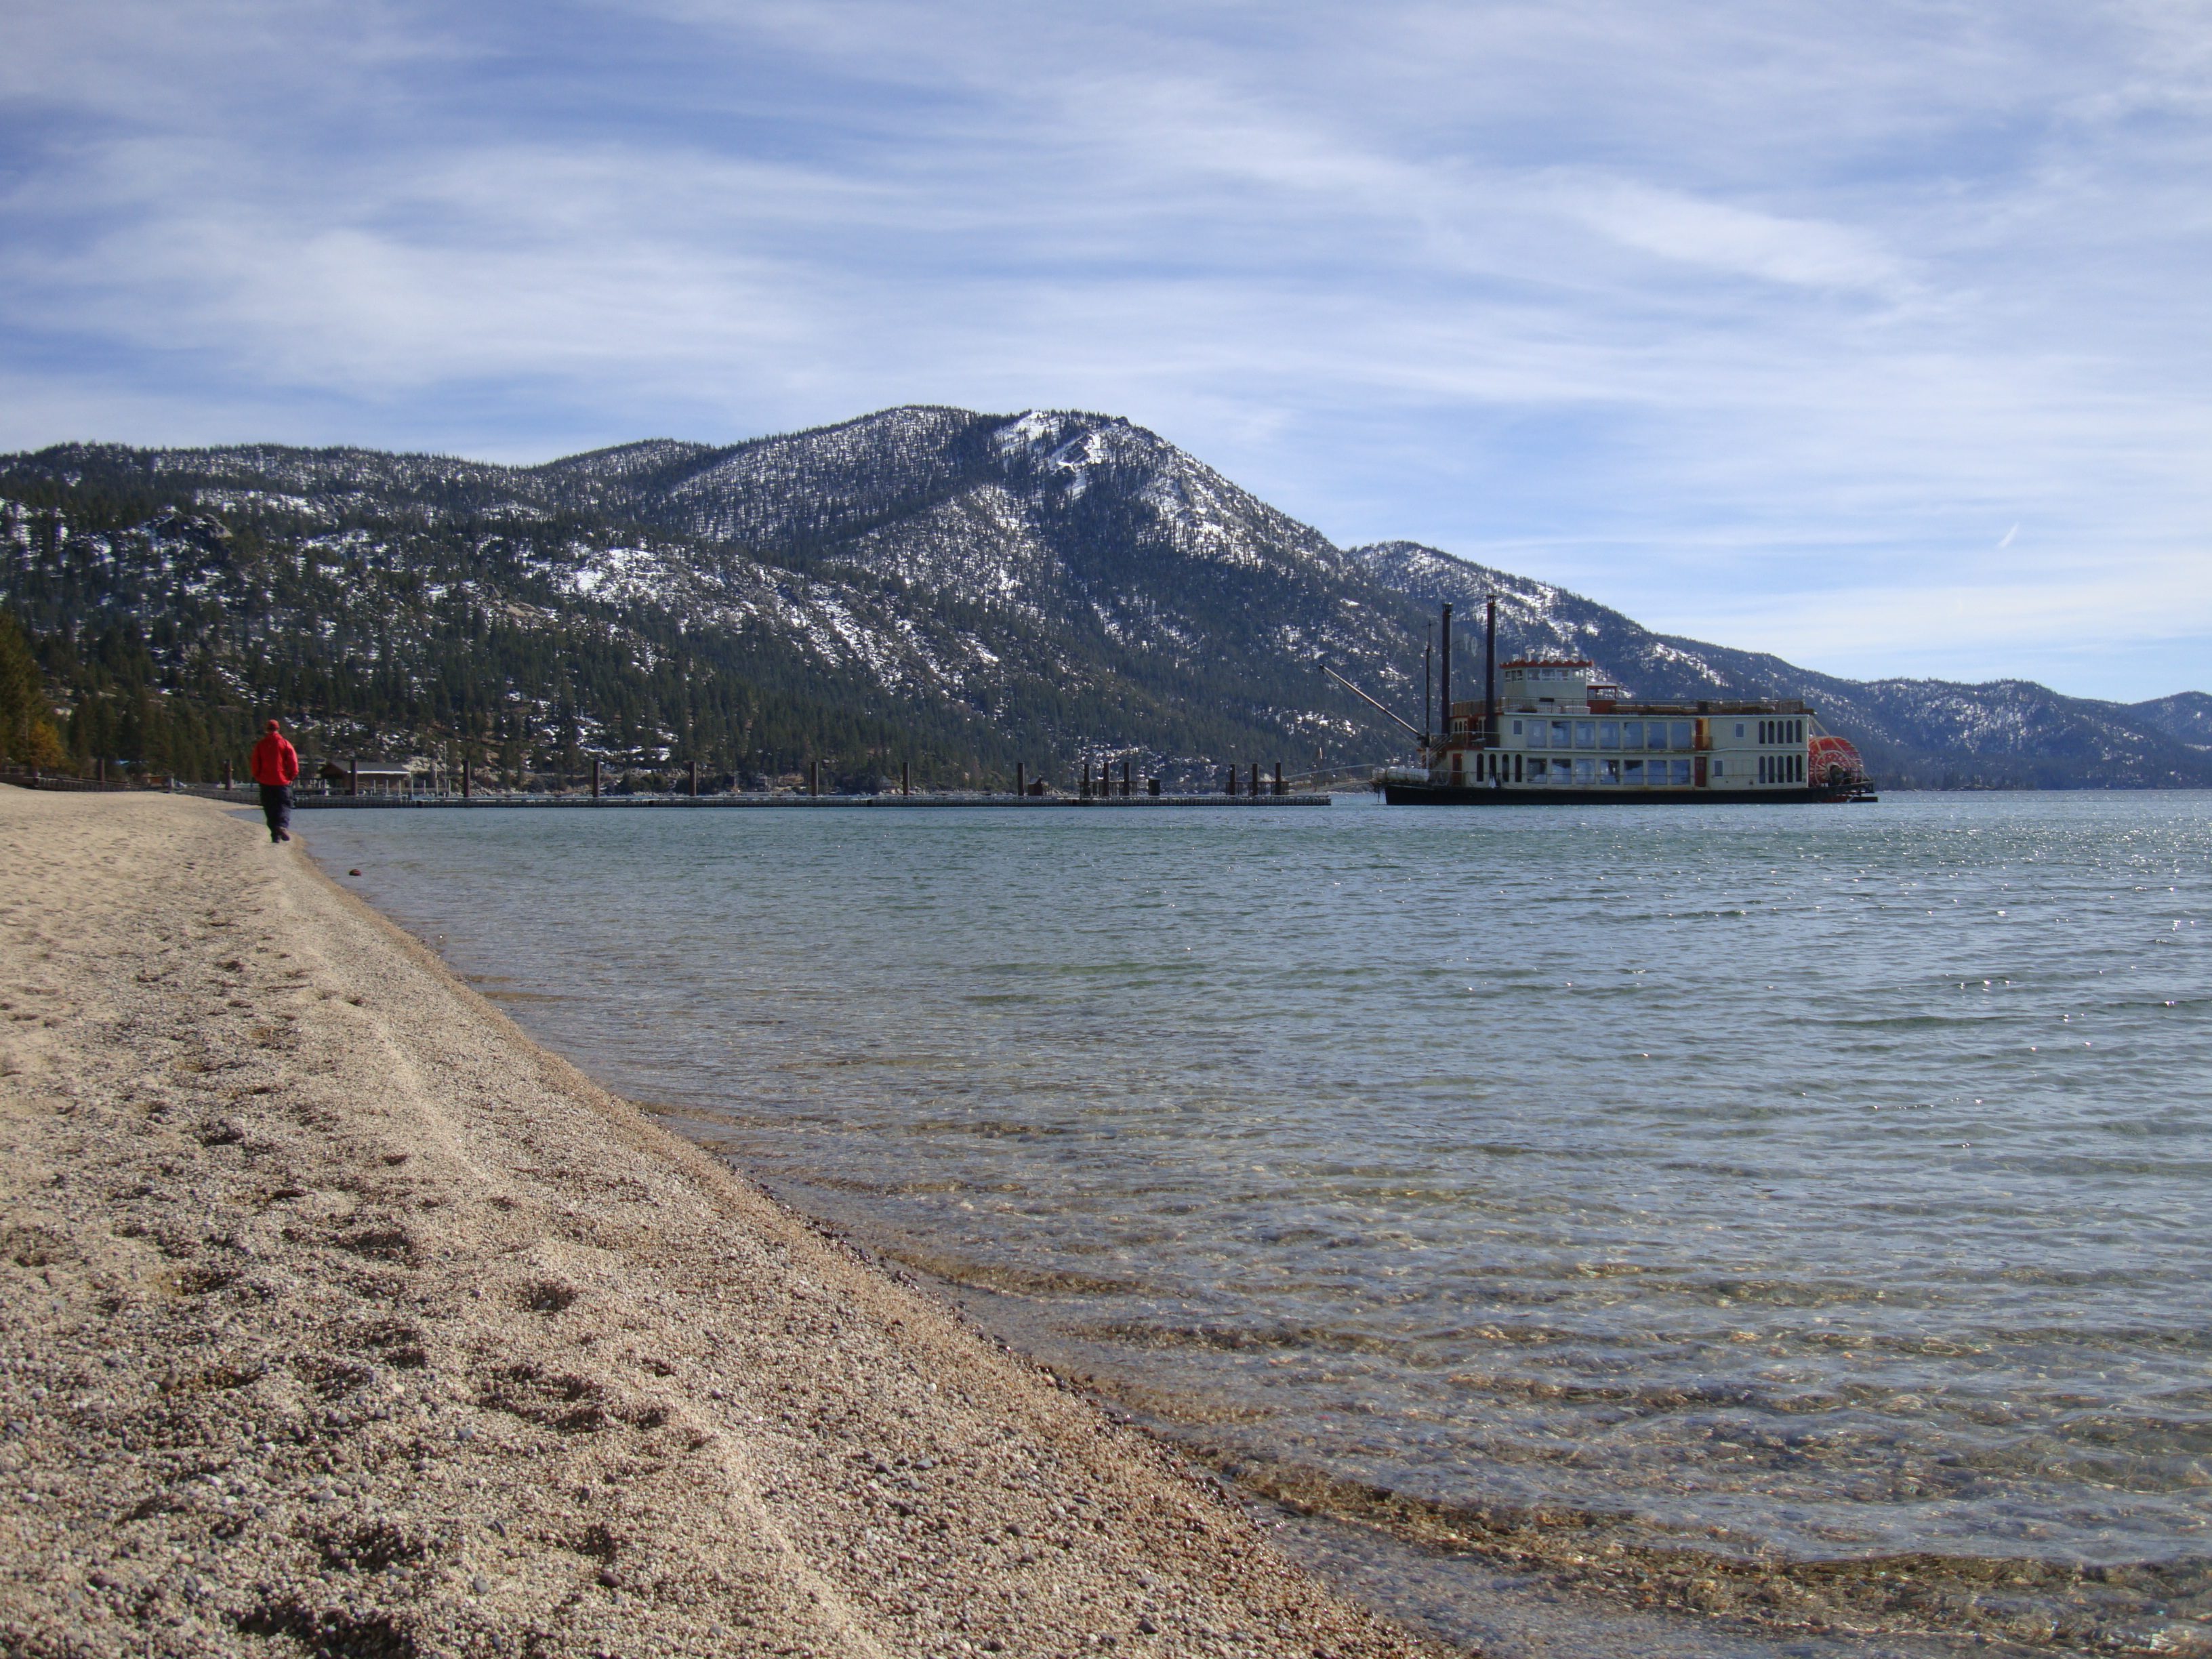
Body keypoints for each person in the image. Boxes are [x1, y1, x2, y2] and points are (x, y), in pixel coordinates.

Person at [249, 720, 300, 843]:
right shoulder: (285, 743)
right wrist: (291, 776)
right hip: (282, 781)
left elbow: (255, 763)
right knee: (284, 804)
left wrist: (258, 776)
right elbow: (293, 762)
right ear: (278, 729)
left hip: (266, 781)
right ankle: (282, 826)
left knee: (269, 807)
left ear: (267, 730)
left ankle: (275, 835)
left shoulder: (261, 745)